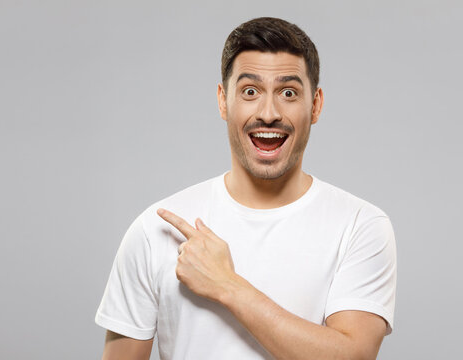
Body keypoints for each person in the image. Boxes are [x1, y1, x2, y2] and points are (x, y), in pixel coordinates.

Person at [95, 17, 397, 360]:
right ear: (223, 101)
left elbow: (353, 355)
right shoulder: (156, 229)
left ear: (315, 105)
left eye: (288, 92)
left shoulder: (360, 225)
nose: (269, 113)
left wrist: (227, 285)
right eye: (250, 92)